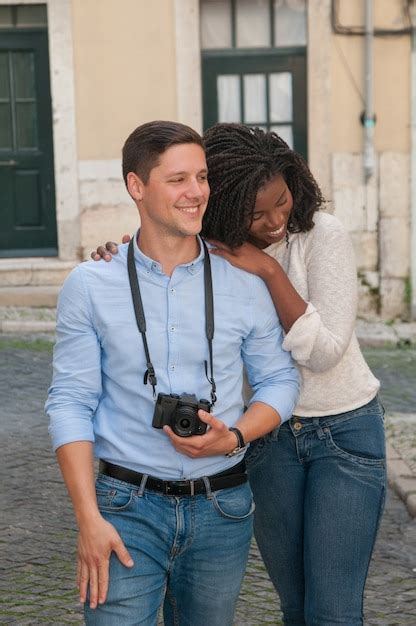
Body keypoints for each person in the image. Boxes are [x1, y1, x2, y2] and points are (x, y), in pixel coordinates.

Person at [95, 123, 386, 626]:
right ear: (228, 206)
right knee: (295, 607)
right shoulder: (212, 248)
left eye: (282, 200)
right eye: (256, 213)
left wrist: (269, 270)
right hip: (265, 437)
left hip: (343, 431)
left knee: (334, 612)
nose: (275, 220)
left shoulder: (322, 235)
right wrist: (121, 256)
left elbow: (324, 353)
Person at [46, 120, 299, 626]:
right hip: (124, 507)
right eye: (179, 179)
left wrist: (235, 437)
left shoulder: (244, 282)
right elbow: (70, 402)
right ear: (136, 187)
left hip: (223, 507)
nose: (196, 193)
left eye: (202, 177)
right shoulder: (90, 285)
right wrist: (88, 518)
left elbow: (280, 381)